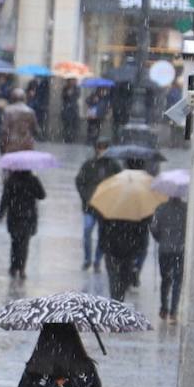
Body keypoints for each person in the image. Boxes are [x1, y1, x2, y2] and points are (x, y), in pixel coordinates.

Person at [75, 141, 120, 271]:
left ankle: (97, 260)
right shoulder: (89, 165)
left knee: (103, 235)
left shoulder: (114, 166)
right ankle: (87, 259)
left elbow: (120, 182)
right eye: (100, 147)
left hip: (105, 207)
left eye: (105, 147)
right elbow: (79, 181)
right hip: (90, 206)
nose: (102, 150)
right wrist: (86, 197)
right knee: (87, 230)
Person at [0, 169, 46, 280]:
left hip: (14, 217)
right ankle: (21, 268)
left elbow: (5, 198)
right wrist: (35, 181)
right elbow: (42, 195)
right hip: (28, 217)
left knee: (15, 243)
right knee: (24, 244)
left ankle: (14, 267)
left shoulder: (11, 180)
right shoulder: (32, 180)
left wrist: (1, 213)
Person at [151, 193, 188, 322]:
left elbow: (154, 228)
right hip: (180, 250)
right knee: (177, 281)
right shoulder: (186, 209)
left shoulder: (161, 208)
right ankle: (173, 312)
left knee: (165, 279)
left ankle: (163, 308)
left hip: (165, 250)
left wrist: (161, 239)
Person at [101, 216, 149, 302]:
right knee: (119, 281)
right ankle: (118, 301)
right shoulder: (135, 213)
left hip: (116, 249)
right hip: (124, 250)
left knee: (116, 280)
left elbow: (103, 228)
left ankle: (116, 301)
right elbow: (142, 231)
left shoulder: (111, 211)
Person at [60, 78, 81, 144]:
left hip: (73, 109)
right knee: (67, 125)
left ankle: (72, 138)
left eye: (74, 81)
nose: (72, 82)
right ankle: (67, 138)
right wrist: (67, 93)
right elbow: (63, 96)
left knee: (74, 125)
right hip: (66, 109)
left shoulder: (77, 88)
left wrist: (72, 92)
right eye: (71, 81)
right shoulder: (65, 88)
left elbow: (78, 96)